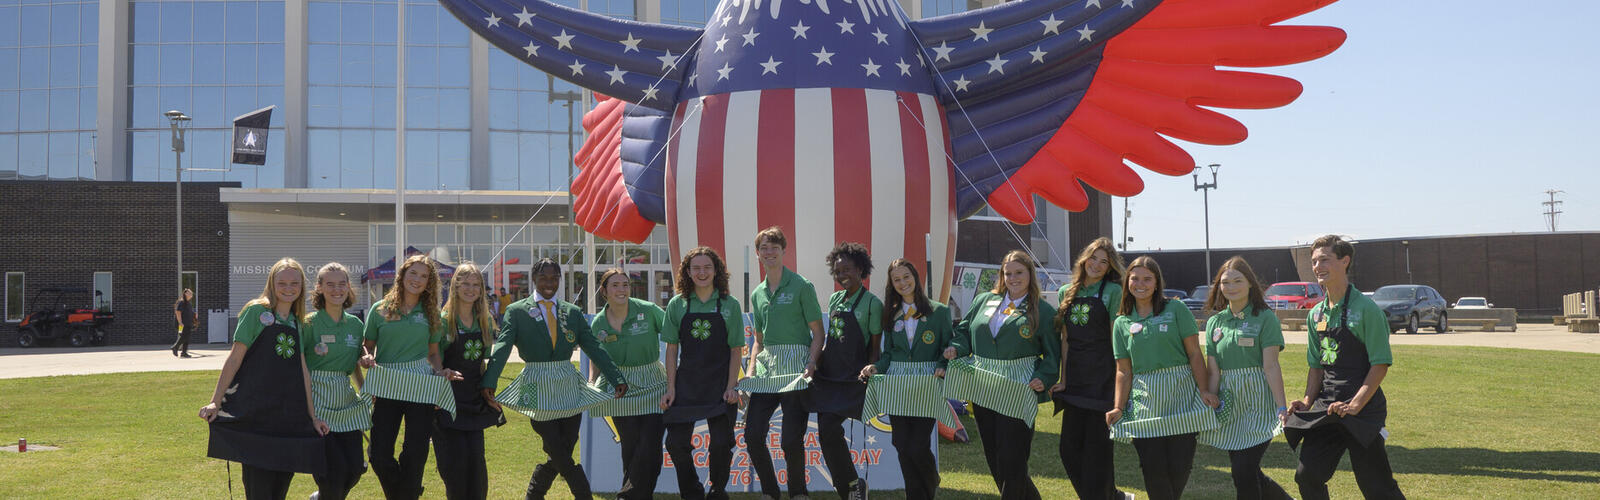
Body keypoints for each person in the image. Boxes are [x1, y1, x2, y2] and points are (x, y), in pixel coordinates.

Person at [482, 258, 627, 500]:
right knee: (556, 447)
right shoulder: (517, 312)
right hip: (537, 387)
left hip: (569, 388)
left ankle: (534, 495)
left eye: (554, 278)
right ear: (534, 280)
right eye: (543, 278)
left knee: (564, 448)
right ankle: (583, 495)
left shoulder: (572, 312)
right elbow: (503, 347)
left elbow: (594, 347)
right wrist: (489, 381)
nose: (549, 283)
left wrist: (615, 377)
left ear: (560, 279)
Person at [1285, 235, 1405, 500]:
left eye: (1325, 259)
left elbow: (1380, 364)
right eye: (1314, 261)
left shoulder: (1366, 310)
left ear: (1345, 261)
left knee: (1377, 487)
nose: (1318, 266)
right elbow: (1316, 366)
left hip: (1362, 411)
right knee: (1307, 476)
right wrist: (1306, 401)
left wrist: (1355, 405)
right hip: (1326, 407)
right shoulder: (1315, 314)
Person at [198, 258, 328, 500]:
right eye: (282, 282)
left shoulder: (297, 322)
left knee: (279, 491)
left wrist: (312, 417)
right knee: (259, 492)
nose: (288, 288)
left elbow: (302, 372)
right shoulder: (256, 311)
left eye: (294, 283)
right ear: (272, 282)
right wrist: (215, 401)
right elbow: (234, 359)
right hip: (256, 418)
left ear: (302, 286)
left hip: (287, 420)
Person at [944, 250, 1060, 500]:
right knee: (995, 457)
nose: (1013, 278)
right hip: (983, 386)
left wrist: (1045, 376)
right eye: (1008, 273)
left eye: (1019, 272)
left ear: (1030, 274)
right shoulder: (985, 300)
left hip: (1018, 388)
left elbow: (1053, 354)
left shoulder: (1042, 310)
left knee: (1013, 458)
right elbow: (964, 331)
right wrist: (958, 347)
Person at [1107, 256, 1219, 500]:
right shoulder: (1122, 322)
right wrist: (1118, 406)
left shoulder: (1175, 309)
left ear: (1157, 283)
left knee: (1179, 468)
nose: (1140, 284)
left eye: (1147, 279)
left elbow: (1194, 354)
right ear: (1127, 283)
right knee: (1153, 470)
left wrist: (1205, 390)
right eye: (1134, 278)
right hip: (1145, 403)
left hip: (1182, 398)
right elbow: (1123, 370)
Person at [359, 255, 462, 500]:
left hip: (420, 386)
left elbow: (434, 353)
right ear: (402, 275)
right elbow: (367, 346)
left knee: (415, 454)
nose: (417, 279)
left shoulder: (430, 313)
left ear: (429, 283)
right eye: (413, 273)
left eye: (424, 276)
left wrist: (440, 373)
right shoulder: (380, 309)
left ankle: (408, 492)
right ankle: (408, 494)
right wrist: (366, 358)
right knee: (379, 454)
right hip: (387, 387)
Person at [1197, 256, 1293, 500]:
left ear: (1250, 283)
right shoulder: (1215, 323)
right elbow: (1214, 370)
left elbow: (1271, 366)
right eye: (1225, 282)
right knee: (1247, 472)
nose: (1231, 287)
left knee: (1243, 470)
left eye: (1237, 281)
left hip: (1258, 403)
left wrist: (1281, 406)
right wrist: (1210, 399)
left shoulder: (1265, 318)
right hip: (1230, 405)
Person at [740, 226, 825, 500]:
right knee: (752, 434)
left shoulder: (802, 285)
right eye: (764, 248)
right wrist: (750, 372)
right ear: (758, 254)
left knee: (790, 439)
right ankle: (770, 492)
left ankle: (798, 493)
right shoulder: (757, 293)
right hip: (767, 371)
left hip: (796, 369)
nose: (769, 252)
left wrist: (812, 362)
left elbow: (818, 333)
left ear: (784, 251)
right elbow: (758, 340)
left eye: (774, 247)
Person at [1049, 237, 1135, 500]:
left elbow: (1116, 339)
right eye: (1093, 258)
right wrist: (1064, 379)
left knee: (1097, 451)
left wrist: (1120, 382)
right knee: (1069, 450)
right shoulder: (1067, 292)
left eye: (1104, 261)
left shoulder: (1112, 291)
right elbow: (1065, 339)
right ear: (1084, 259)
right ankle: (1113, 496)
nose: (1096, 265)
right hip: (1076, 381)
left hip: (1103, 380)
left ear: (1109, 267)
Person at [859, 259, 952, 499]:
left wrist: (942, 366)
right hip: (897, 384)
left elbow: (947, 346)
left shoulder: (938, 311)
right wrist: (875, 367)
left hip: (925, 384)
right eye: (897, 279)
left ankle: (930, 478)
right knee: (901, 445)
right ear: (892, 284)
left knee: (918, 445)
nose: (903, 283)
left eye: (906, 277)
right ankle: (915, 495)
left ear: (915, 277)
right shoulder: (891, 314)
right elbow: (888, 353)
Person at [659, 247, 745, 500]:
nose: (702, 272)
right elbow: (672, 350)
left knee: (720, 443)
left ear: (716, 270)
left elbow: (736, 350)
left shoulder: (730, 304)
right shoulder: (677, 304)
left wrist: (732, 386)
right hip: (686, 384)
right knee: (674, 443)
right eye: (696, 268)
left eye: (707, 267)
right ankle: (692, 492)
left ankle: (717, 490)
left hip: (720, 385)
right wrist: (671, 388)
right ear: (687, 272)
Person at [588, 268, 670, 500]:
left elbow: (673, 337)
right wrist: (592, 381)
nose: (621, 289)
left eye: (625, 284)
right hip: (619, 385)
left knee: (651, 445)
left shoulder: (648, 310)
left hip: (653, 383)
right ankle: (638, 496)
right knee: (631, 447)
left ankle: (627, 496)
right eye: (615, 285)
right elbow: (597, 356)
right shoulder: (599, 322)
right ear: (604, 291)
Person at [811, 242, 882, 499]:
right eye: (838, 272)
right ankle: (851, 488)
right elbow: (832, 337)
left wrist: (870, 374)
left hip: (853, 379)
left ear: (861, 269)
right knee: (826, 434)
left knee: (830, 430)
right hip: (829, 375)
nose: (842, 276)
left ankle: (851, 487)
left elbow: (875, 348)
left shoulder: (873, 303)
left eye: (847, 270)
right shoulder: (834, 299)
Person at [434, 262, 506, 500]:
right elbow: (433, 361)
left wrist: (488, 393)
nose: (471, 289)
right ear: (455, 285)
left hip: (473, 403)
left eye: (476, 284)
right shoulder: (443, 320)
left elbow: (482, 363)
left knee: (477, 470)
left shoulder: (483, 320)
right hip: (446, 404)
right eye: (465, 283)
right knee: (455, 471)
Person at [300, 262, 372, 500]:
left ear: (348, 287)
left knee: (354, 470)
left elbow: (355, 363)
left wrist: (365, 387)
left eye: (341, 284)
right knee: (332, 472)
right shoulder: (308, 323)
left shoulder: (355, 324)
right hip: (317, 400)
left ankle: (319, 498)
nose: (336, 289)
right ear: (319, 288)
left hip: (345, 401)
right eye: (329, 284)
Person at [173, 288, 196, 358]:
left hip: (188, 323)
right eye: (190, 293)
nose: (191, 294)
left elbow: (189, 313)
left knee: (187, 337)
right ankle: (175, 347)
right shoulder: (182, 302)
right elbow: (178, 312)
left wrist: (194, 316)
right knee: (183, 336)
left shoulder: (188, 303)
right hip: (182, 324)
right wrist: (180, 322)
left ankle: (184, 353)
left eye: (191, 293)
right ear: (185, 293)